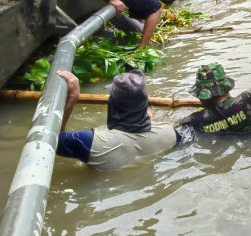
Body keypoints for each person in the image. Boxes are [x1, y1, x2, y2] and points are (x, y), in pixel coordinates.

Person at [56, 69, 192, 171]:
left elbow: (51, 140)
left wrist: (73, 98)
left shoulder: (88, 141)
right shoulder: (171, 132)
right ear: (144, 103)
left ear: (112, 104)